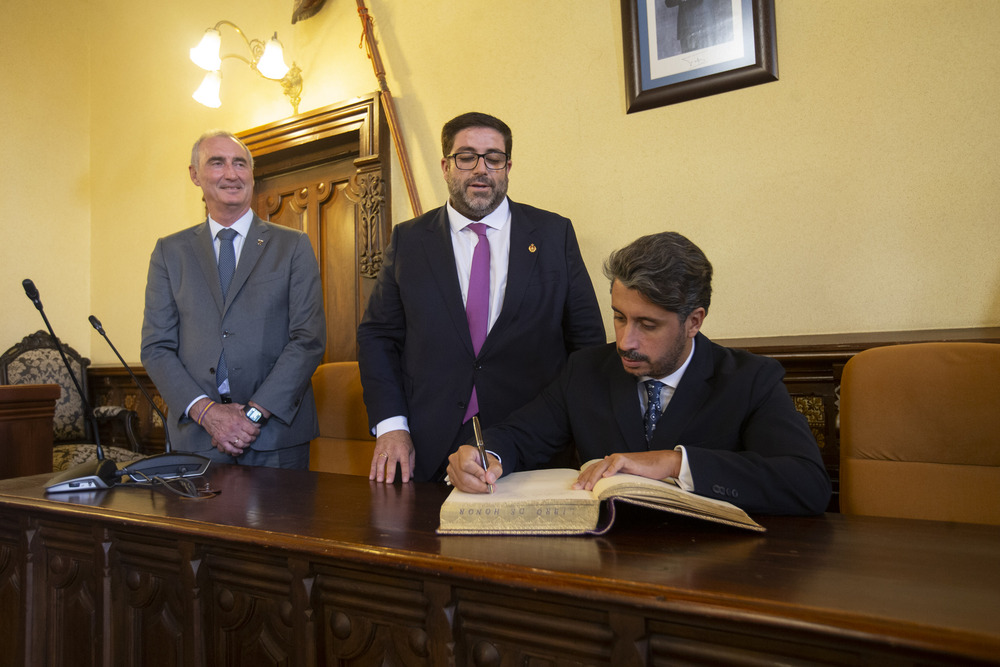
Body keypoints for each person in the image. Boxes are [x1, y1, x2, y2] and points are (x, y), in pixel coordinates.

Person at [447, 231, 831, 516]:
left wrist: (674, 463)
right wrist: (484, 456)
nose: (626, 341)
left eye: (647, 325)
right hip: (605, 570)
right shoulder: (586, 370)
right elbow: (520, 435)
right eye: (619, 317)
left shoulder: (750, 379)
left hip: (714, 581)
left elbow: (806, 485)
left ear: (693, 321)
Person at [357, 112, 606, 484]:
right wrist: (392, 425)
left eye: (493, 158)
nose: (481, 169)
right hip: (428, 441)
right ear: (445, 166)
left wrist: (587, 437)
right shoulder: (409, 240)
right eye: (466, 156)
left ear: (507, 167)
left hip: (530, 441)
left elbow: (586, 345)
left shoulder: (554, 235)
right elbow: (378, 336)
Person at [140, 130, 326, 469]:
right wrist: (208, 413)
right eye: (217, 163)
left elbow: (308, 339)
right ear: (194, 175)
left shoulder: (293, 246)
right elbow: (156, 347)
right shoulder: (170, 252)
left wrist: (252, 414)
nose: (231, 173)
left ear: (252, 175)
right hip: (197, 438)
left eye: (240, 163)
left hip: (276, 439)